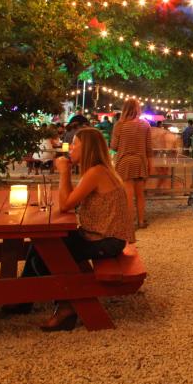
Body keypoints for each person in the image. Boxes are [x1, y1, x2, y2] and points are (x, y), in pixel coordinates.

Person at [10, 127, 135, 331]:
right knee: (40, 244)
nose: (70, 149)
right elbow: (69, 201)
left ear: (87, 149)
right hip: (100, 236)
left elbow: (65, 204)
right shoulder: (99, 170)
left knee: (43, 257)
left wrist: (64, 171)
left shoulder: (96, 172)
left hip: (106, 241)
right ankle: (24, 299)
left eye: (75, 144)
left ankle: (67, 304)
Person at [110, 98, 153, 229]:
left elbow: (114, 146)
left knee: (128, 195)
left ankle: (129, 224)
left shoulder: (119, 125)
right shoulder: (146, 125)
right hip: (140, 163)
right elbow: (149, 149)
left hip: (124, 162)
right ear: (138, 109)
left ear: (125, 109)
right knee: (140, 194)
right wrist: (149, 166)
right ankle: (141, 221)